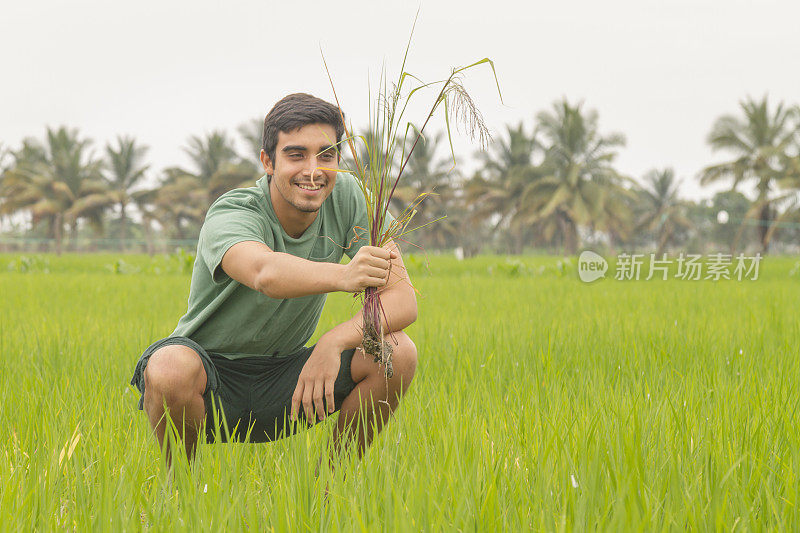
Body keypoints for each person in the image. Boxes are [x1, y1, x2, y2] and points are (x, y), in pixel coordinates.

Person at [130, 93, 418, 464]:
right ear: (268, 161)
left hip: (288, 380)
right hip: (209, 381)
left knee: (398, 352)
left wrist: (334, 341)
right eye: (296, 155)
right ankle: (178, 496)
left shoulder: (348, 198)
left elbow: (403, 299)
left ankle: (328, 496)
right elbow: (263, 272)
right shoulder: (234, 211)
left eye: (326, 155)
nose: (313, 170)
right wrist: (345, 275)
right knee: (169, 366)